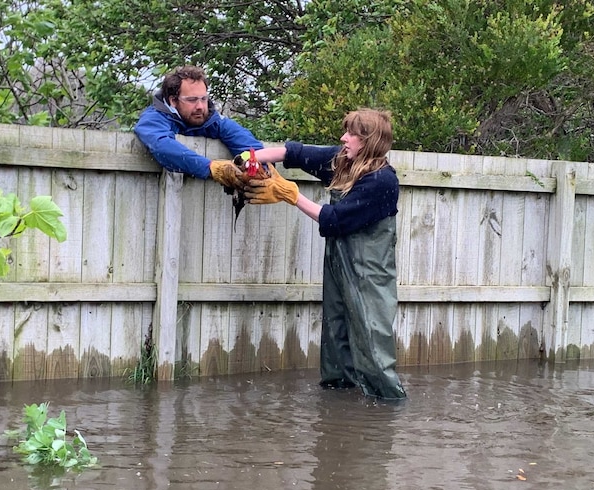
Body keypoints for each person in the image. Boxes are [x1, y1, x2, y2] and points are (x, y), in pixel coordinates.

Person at [245, 108, 407, 400]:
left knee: (371, 340)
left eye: (352, 134)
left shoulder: (382, 181)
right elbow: (294, 153)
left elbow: (333, 218)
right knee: (336, 333)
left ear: (368, 141)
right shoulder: (343, 162)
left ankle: (388, 406)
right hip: (339, 264)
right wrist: (249, 159)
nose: (344, 137)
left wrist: (291, 195)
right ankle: (338, 402)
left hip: (370, 274)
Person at [134, 65, 262, 190]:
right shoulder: (153, 119)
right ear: (173, 100)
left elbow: (249, 145)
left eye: (203, 99)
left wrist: (262, 171)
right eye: (192, 100)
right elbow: (162, 146)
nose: (200, 106)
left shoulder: (212, 120)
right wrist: (210, 168)